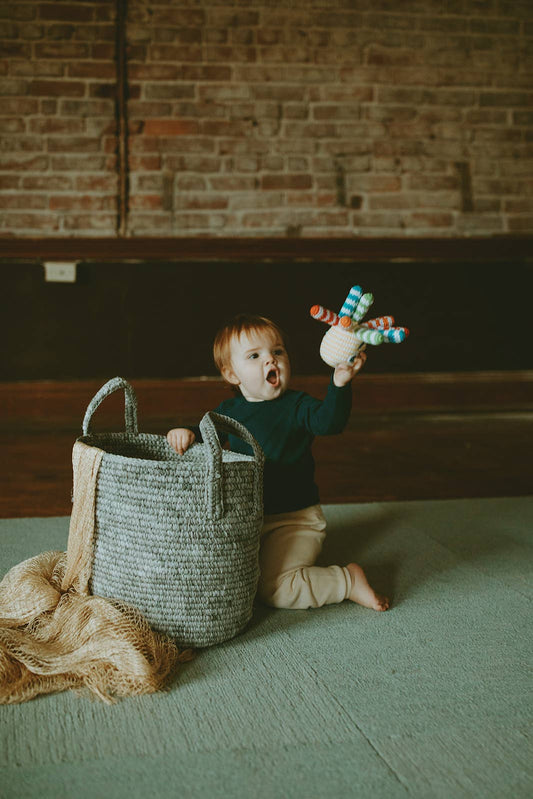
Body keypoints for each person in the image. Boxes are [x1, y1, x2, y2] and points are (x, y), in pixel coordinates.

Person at [167, 314, 389, 613]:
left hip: (295, 519)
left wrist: (339, 384)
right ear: (232, 374)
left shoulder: (297, 405)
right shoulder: (229, 412)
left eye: (278, 352)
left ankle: (346, 580)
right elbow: (207, 437)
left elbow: (330, 422)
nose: (270, 361)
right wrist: (186, 433)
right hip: (249, 518)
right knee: (216, 572)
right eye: (255, 356)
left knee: (276, 590)